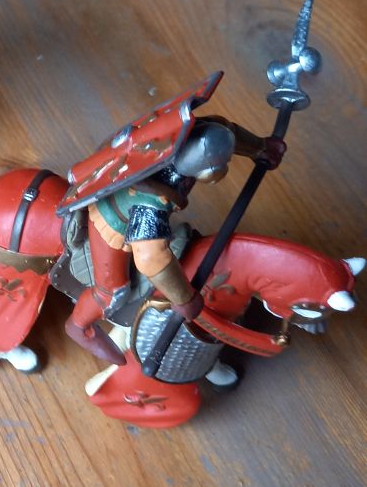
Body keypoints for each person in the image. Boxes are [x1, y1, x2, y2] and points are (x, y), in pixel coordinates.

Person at [61, 107, 285, 365]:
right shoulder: (150, 202)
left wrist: (260, 148)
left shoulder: (190, 130)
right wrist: (184, 299)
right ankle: (79, 326)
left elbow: (228, 130)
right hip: (111, 217)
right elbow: (151, 259)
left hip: (126, 175)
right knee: (113, 292)